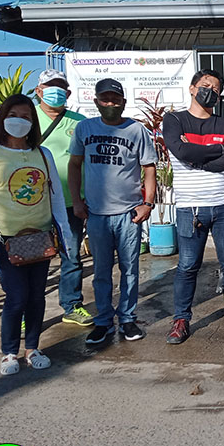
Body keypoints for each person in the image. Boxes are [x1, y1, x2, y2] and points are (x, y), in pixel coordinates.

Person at [0, 94, 71, 375]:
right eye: (13, 115)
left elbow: (55, 197)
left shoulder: (43, 154)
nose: (19, 121)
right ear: (3, 118)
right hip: (5, 240)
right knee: (16, 297)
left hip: (39, 238)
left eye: (26, 117)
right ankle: (8, 352)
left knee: (37, 296)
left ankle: (33, 348)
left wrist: (65, 236)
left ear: (33, 122)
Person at [162, 69, 224, 344]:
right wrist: (218, 151)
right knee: (188, 266)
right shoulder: (174, 119)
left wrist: (199, 159)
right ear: (192, 88)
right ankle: (181, 320)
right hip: (190, 207)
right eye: (205, 86)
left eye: (216, 89)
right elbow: (181, 151)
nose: (210, 92)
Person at [68, 78, 157, 345]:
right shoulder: (84, 128)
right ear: (96, 101)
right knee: (101, 271)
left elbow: (149, 168)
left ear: (123, 102)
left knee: (130, 270)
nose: (110, 104)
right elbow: (74, 166)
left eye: (115, 100)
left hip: (129, 213)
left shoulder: (136, 130)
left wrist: (148, 203)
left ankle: (127, 319)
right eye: (105, 99)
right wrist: (77, 201)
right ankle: (104, 321)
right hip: (96, 214)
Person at [33, 68, 93, 327]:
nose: (55, 91)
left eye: (60, 87)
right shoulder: (27, 118)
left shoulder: (80, 122)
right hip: (34, 204)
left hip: (71, 202)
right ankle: (28, 311)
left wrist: (84, 198)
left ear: (68, 93)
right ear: (39, 91)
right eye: (49, 86)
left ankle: (71, 305)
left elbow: (88, 163)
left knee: (71, 255)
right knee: (34, 258)